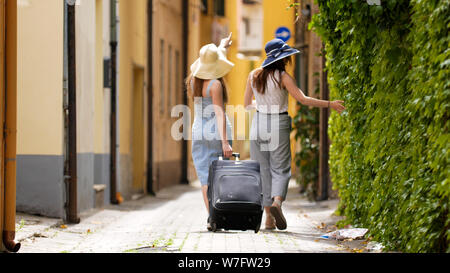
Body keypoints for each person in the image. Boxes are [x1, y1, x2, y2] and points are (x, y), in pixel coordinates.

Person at [244, 39, 346, 231]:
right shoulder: (283, 77)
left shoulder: (253, 75)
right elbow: (303, 99)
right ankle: (276, 203)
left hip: (258, 124)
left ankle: (268, 219)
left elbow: (247, 104)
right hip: (278, 123)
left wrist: (263, 106)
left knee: (263, 170)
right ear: (282, 59)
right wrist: (330, 104)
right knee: (280, 169)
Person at [186, 33, 234, 231]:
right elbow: (219, 113)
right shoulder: (215, 85)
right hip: (216, 133)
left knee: (205, 178)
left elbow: (214, 57)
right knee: (219, 176)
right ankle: (219, 215)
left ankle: (212, 218)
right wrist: (225, 142)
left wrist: (222, 45)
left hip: (198, 132)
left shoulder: (192, 81)